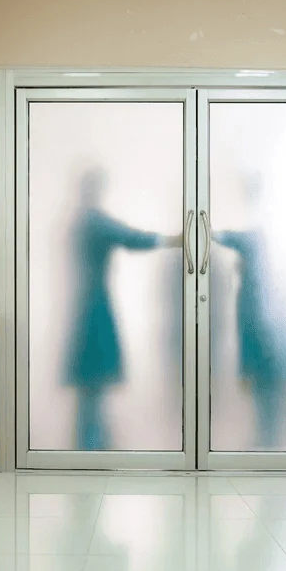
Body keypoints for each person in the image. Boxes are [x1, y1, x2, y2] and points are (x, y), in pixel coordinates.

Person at [64, 167, 176, 450]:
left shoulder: (80, 222)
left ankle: (91, 444)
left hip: (85, 305)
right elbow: (129, 237)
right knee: (94, 383)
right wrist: (167, 240)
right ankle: (90, 448)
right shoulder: (94, 222)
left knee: (90, 386)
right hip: (94, 306)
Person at [214, 175, 286, 449]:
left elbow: (233, 238)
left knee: (266, 386)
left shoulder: (257, 235)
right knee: (263, 388)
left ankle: (269, 442)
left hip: (265, 326)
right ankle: (266, 440)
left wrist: (206, 229)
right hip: (261, 326)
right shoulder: (259, 239)